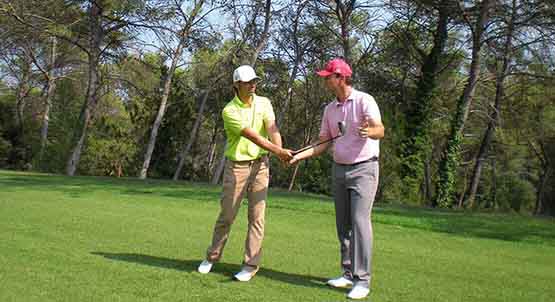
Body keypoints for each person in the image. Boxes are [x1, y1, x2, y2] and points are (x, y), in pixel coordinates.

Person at [289, 58, 384, 299]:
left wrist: (368, 131)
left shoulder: (365, 100)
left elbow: (380, 129)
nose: (325, 80)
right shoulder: (329, 109)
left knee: (360, 222)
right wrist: (299, 156)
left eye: (328, 76)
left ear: (340, 77)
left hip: (364, 169)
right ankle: (348, 273)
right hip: (339, 169)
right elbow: (324, 143)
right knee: (343, 225)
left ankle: (362, 281)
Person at [198, 65, 292, 282]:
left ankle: (250, 265)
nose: (253, 85)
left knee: (257, 217)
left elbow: (272, 129)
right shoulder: (229, 110)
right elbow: (252, 136)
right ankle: (212, 257)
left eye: (254, 81)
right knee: (227, 215)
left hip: (261, 166)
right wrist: (279, 152)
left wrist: (280, 152)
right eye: (248, 82)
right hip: (237, 167)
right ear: (236, 85)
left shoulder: (264, 102)